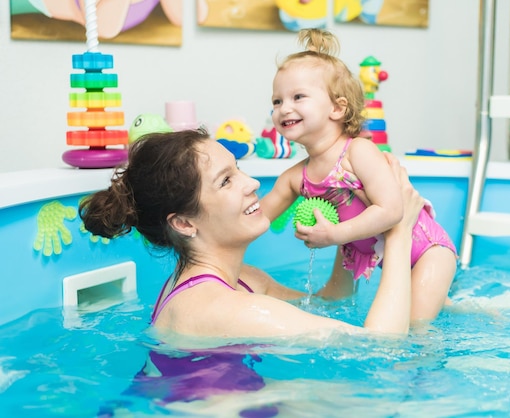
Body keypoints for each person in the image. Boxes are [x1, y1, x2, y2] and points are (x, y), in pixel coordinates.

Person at [79, 128, 423, 339]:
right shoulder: (227, 309)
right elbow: (381, 348)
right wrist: (398, 229)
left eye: (238, 169)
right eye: (226, 180)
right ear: (184, 223)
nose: (253, 184)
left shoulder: (245, 280)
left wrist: (347, 227)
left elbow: (330, 303)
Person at [260, 28, 458, 322]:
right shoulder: (295, 178)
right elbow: (256, 218)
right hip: (390, 259)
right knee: (417, 302)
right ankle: (447, 302)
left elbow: (392, 210)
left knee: (415, 325)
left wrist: (334, 234)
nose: (283, 108)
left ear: (338, 108)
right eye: (277, 101)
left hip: (429, 252)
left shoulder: (358, 153)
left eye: (298, 97)